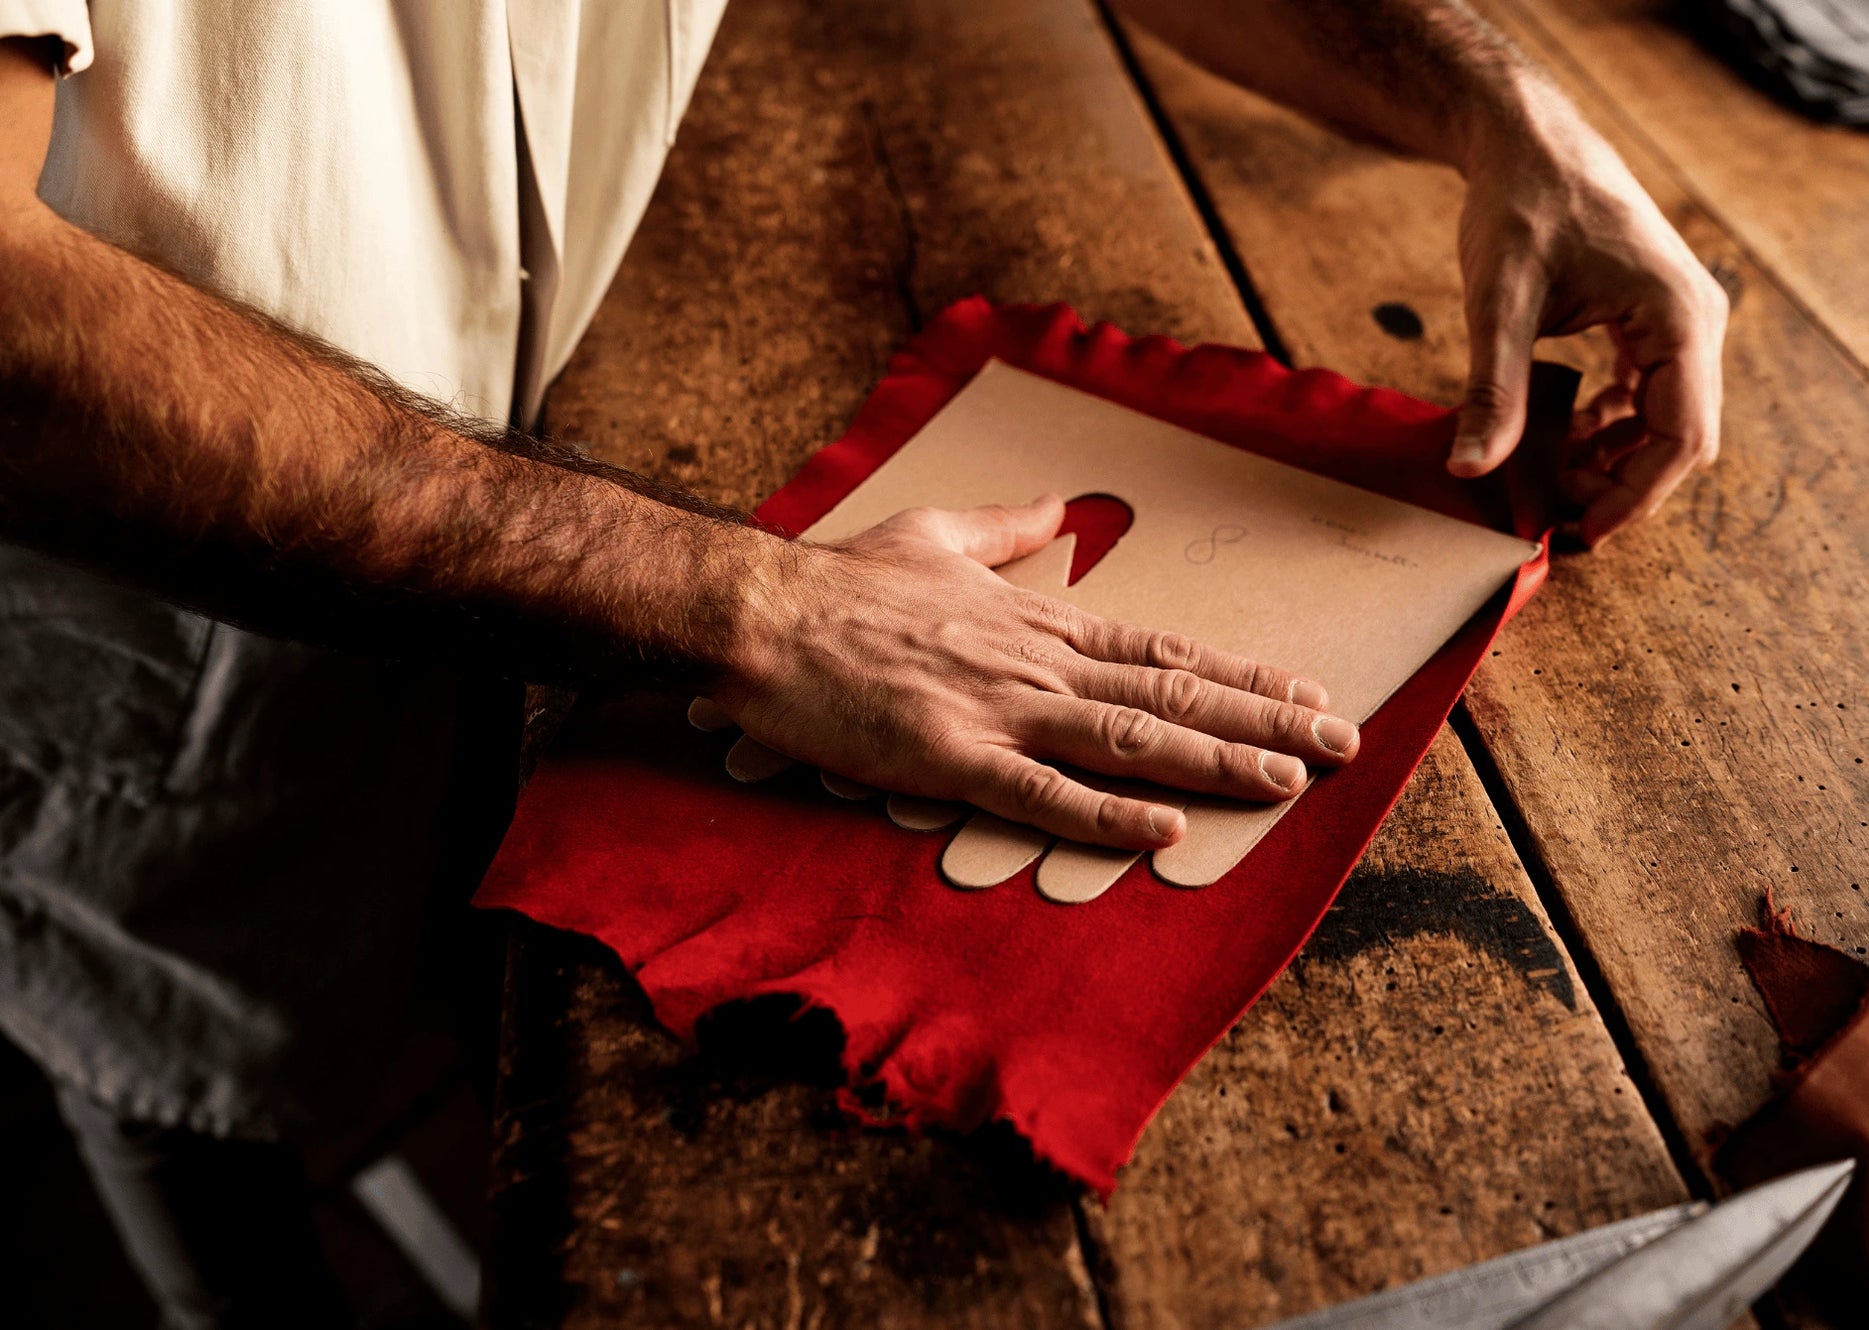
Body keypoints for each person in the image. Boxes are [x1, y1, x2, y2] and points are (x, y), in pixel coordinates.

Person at [0, 1, 1726, 1324]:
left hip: (530, 457)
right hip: (142, 591)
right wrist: (754, 603)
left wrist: (1492, 99)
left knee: (503, 1007)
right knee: (168, 1057)